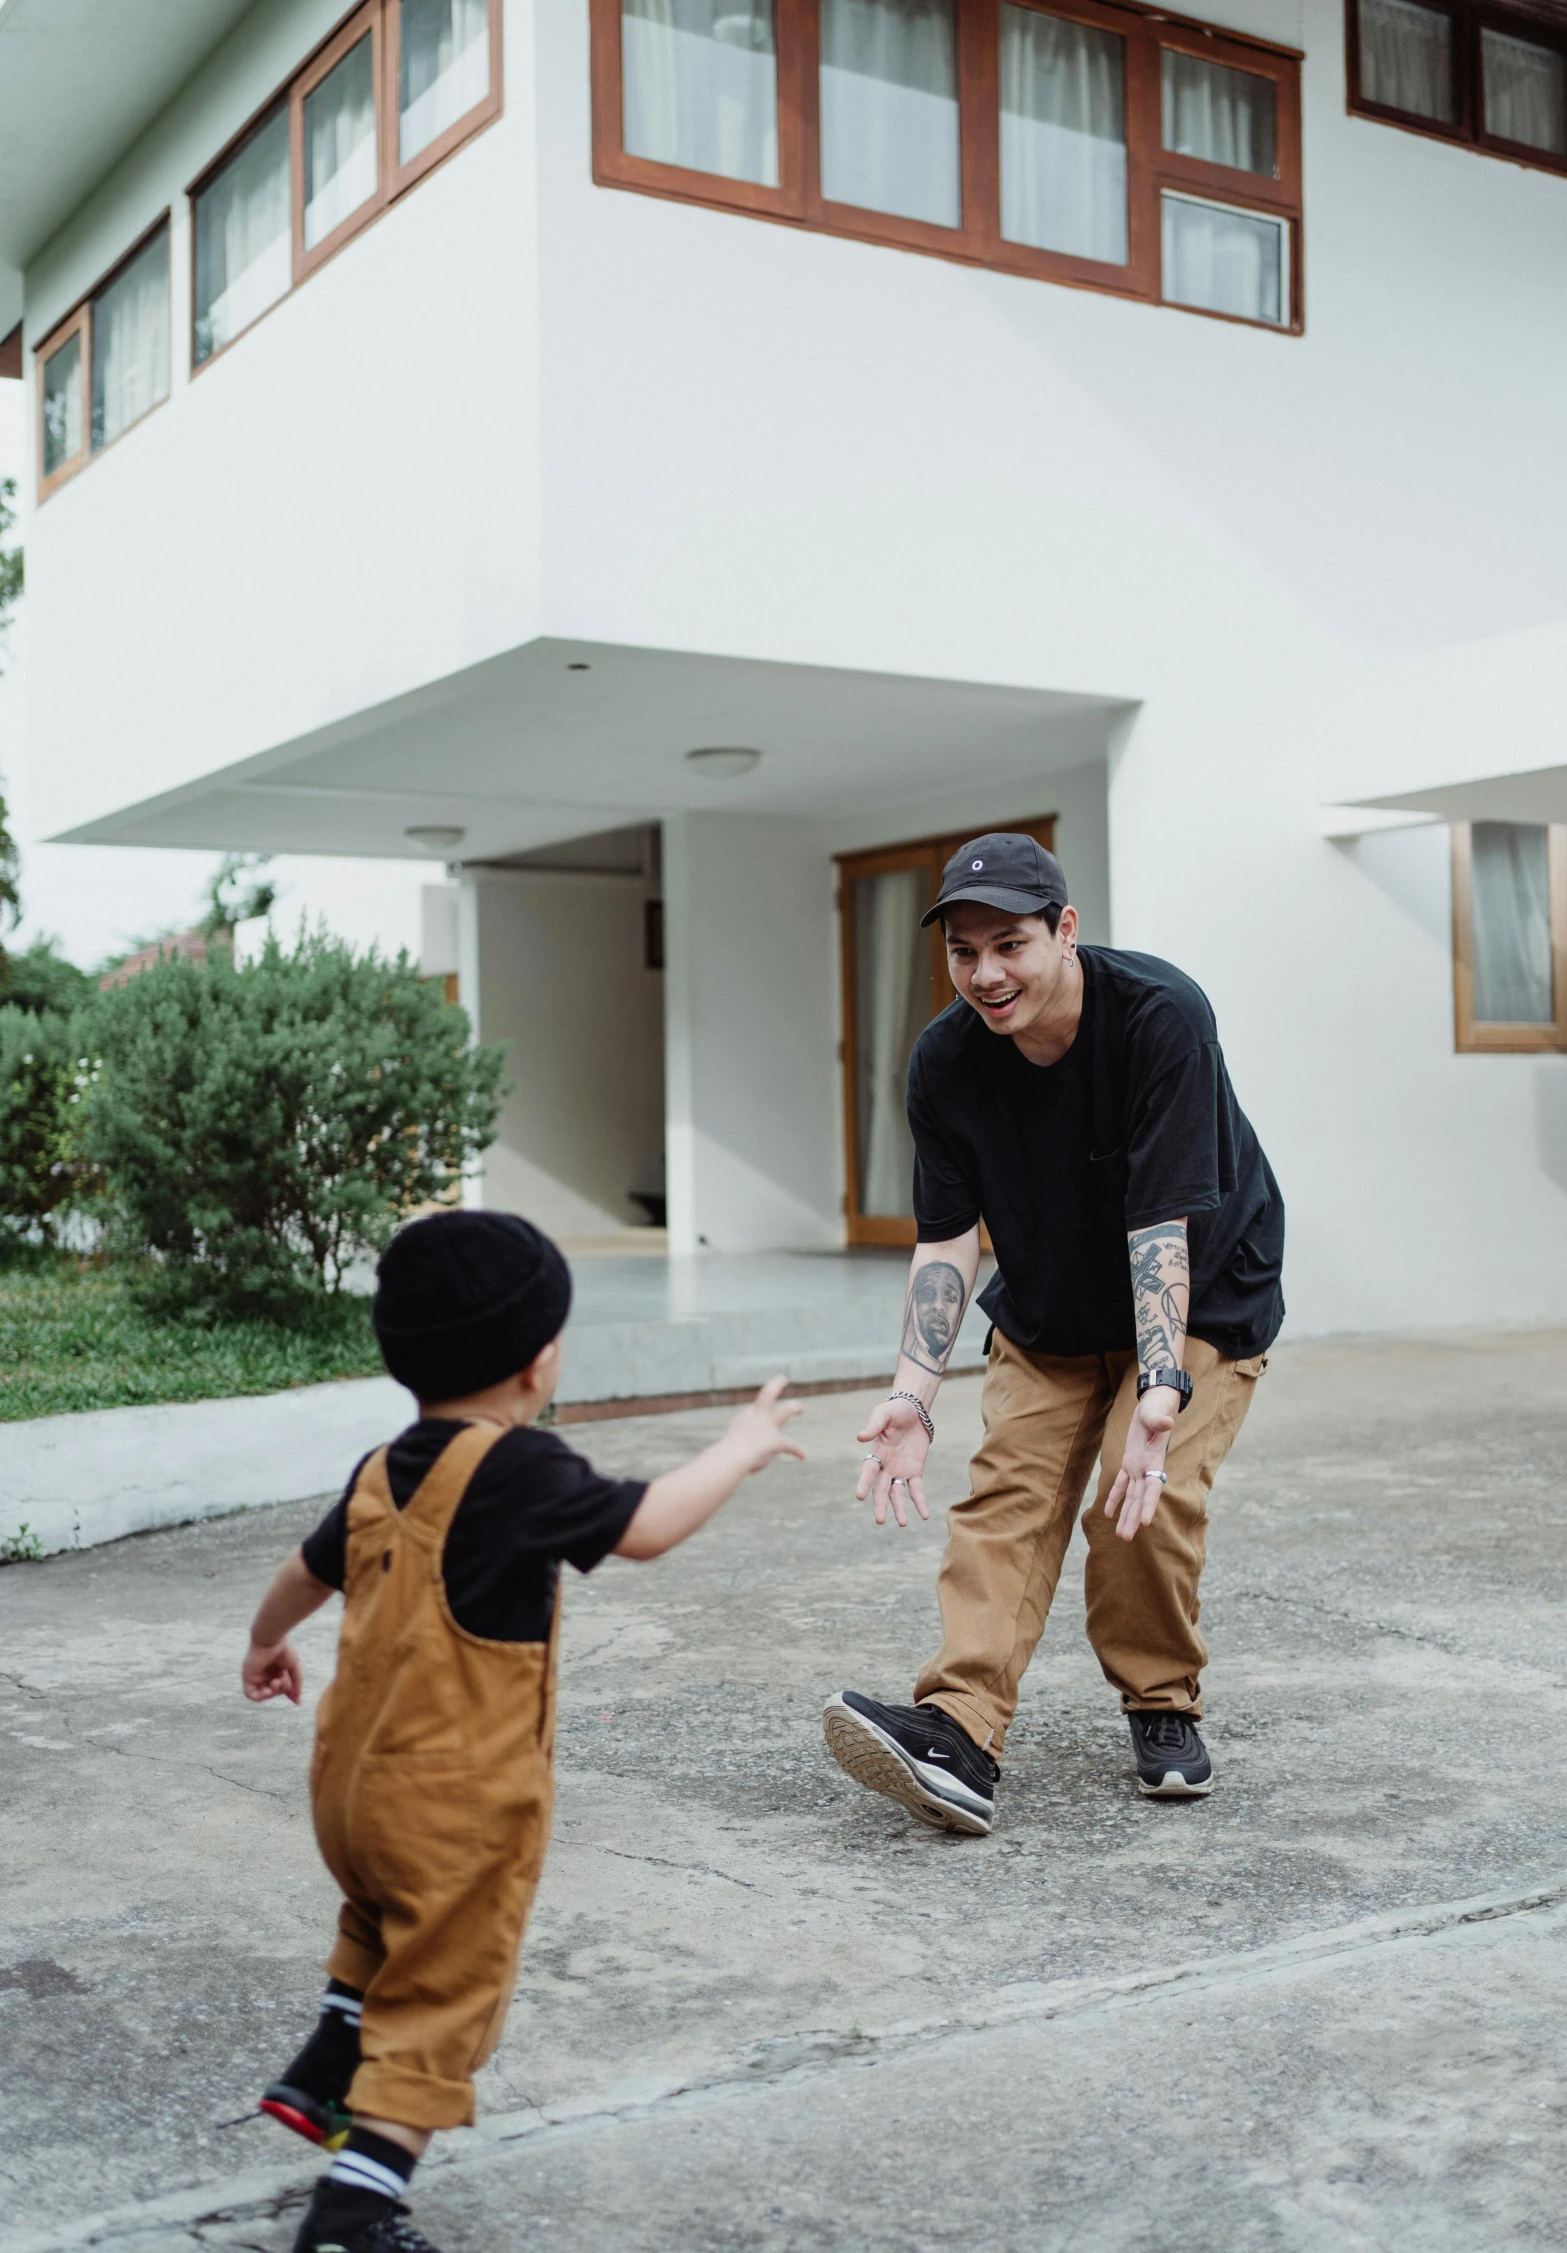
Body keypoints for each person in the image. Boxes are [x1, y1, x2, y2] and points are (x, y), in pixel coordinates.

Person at [242, 1209, 803, 2253]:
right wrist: (738, 1447)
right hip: (454, 1810)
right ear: (538, 1363)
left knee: (378, 1915)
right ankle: (354, 2208)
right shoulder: (520, 1470)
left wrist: (264, 1642)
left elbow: (300, 1575)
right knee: (447, 1987)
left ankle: (327, 2063)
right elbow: (646, 1526)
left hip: (348, 1795)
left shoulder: (378, 1469)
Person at [823, 833, 1284, 1833]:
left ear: (1064, 930)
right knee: (1005, 1500)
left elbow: (1161, 1226)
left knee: (1141, 1492)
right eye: (962, 951)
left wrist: (1160, 1390)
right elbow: (946, 1241)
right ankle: (957, 1730)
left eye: (1010, 945)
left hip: (1201, 1295)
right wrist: (911, 1394)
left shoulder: (1159, 1016)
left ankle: (1161, 1701)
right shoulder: (945, 1063)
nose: (984, 973)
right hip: (1050, 1304)